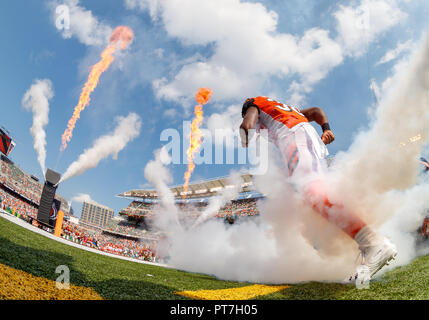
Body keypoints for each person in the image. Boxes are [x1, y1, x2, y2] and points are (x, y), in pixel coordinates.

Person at [239, 96, 397, 284]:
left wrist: (244, 136)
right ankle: (366, 245)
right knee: (317, 196)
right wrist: (326, 129)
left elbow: (247, 124)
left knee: (311, 193)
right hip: (308, 137)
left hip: (293, 138)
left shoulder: (255, 106)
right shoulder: (287, 110)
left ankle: (373, 243)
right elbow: (315, 112)